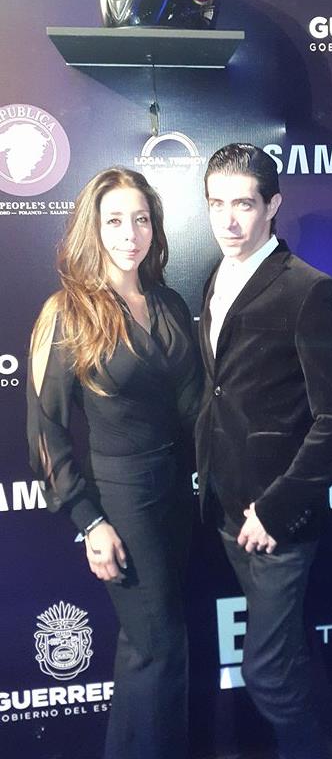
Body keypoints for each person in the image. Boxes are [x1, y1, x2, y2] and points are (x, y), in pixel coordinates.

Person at [27, 167, 201, 759]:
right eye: (115, 221)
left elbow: (196, 409)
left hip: (177, 496)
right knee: (160, 647)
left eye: (141, 219)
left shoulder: (168, 302)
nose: (131, 233)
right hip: (123, 501)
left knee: (146, 648)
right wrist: (90, 521)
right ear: (93, 229)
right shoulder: (66, 312)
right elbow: (46, 433)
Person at [196, 143, 332, 759]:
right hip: (224, 509)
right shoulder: (216, 277)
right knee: (282, 662)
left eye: (243, 204)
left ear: (273, 205)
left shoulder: (310, 290)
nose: (229, 220)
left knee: (267, 674)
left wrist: (276, 509)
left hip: (276, 522)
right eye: (217, 204)